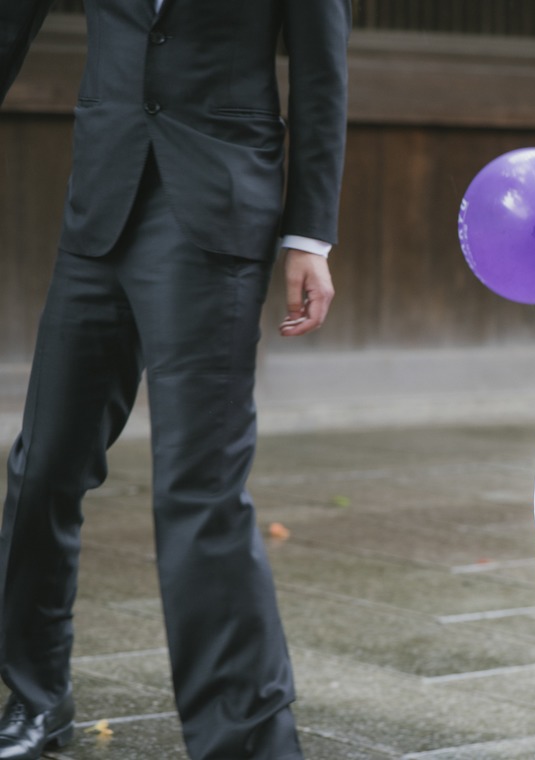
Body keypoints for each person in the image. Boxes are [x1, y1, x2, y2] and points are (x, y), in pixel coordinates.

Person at [0, 1, 350, 758]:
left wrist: (308, 235)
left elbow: (322, 70)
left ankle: (247, 742)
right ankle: (36, 698)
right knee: (43, 467)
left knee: (199, 486)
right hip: (101, 197)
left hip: (215, 207)